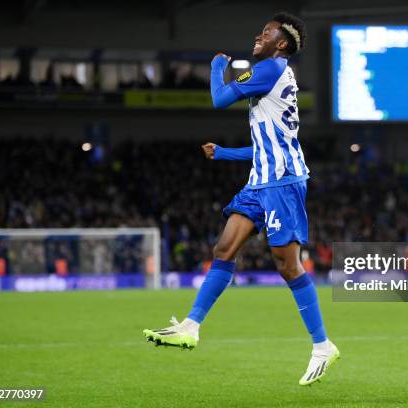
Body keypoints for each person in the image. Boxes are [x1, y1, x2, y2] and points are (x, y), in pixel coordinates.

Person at [143, 12, 339, 386]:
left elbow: (219, 99)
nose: (258, 35)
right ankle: (191, 325)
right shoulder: (274, 74)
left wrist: (218, 66)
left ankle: (321, 345)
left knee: (287, 266)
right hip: (259, 181)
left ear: (281, 43)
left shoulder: (270, 69)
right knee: (224, 248)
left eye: (266, 32)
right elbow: (263, 145)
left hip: (282, 181)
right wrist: (225, 154)